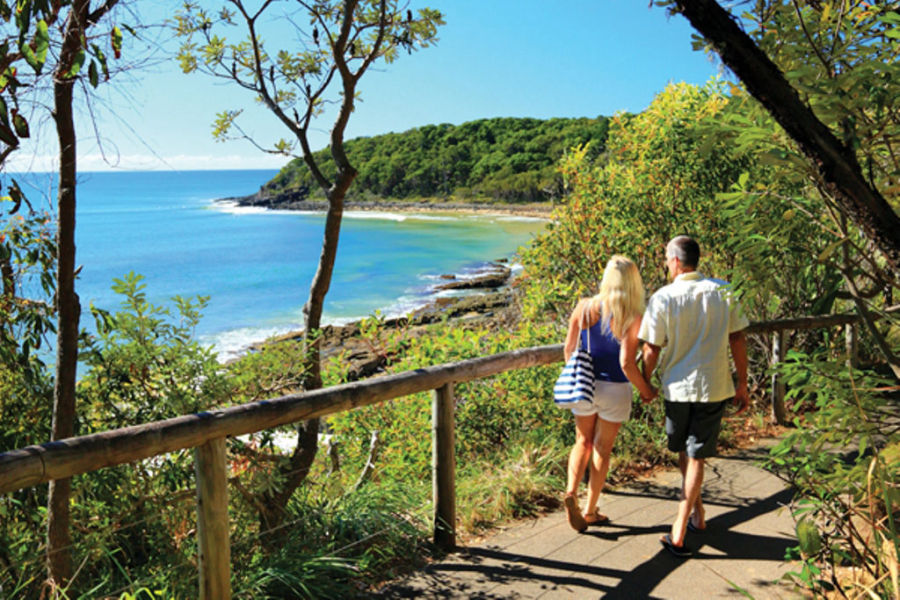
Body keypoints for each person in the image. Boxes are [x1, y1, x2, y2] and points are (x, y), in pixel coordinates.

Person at [639, 235, 749, 558]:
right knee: (689, 451)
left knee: (692, 453)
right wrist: (742, 383)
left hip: (677, 388)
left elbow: (651, 348)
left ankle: (679, 527)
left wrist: (645, 384)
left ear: (674, 261)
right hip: (714, 385)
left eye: (665, 259)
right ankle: (698, 515)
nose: (665, 265)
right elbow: (738, 338)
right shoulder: (723, 291)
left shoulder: (663, 298)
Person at [562, 255, 657, 533]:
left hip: (585, 384)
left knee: (582, 441)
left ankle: (570, 492)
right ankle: (590, 510)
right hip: (615, 388)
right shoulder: (632, 315)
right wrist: (646, 390)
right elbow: (627, 363)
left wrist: (577, 376)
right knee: (602, 449)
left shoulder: (584, 307)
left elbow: (569, 349)